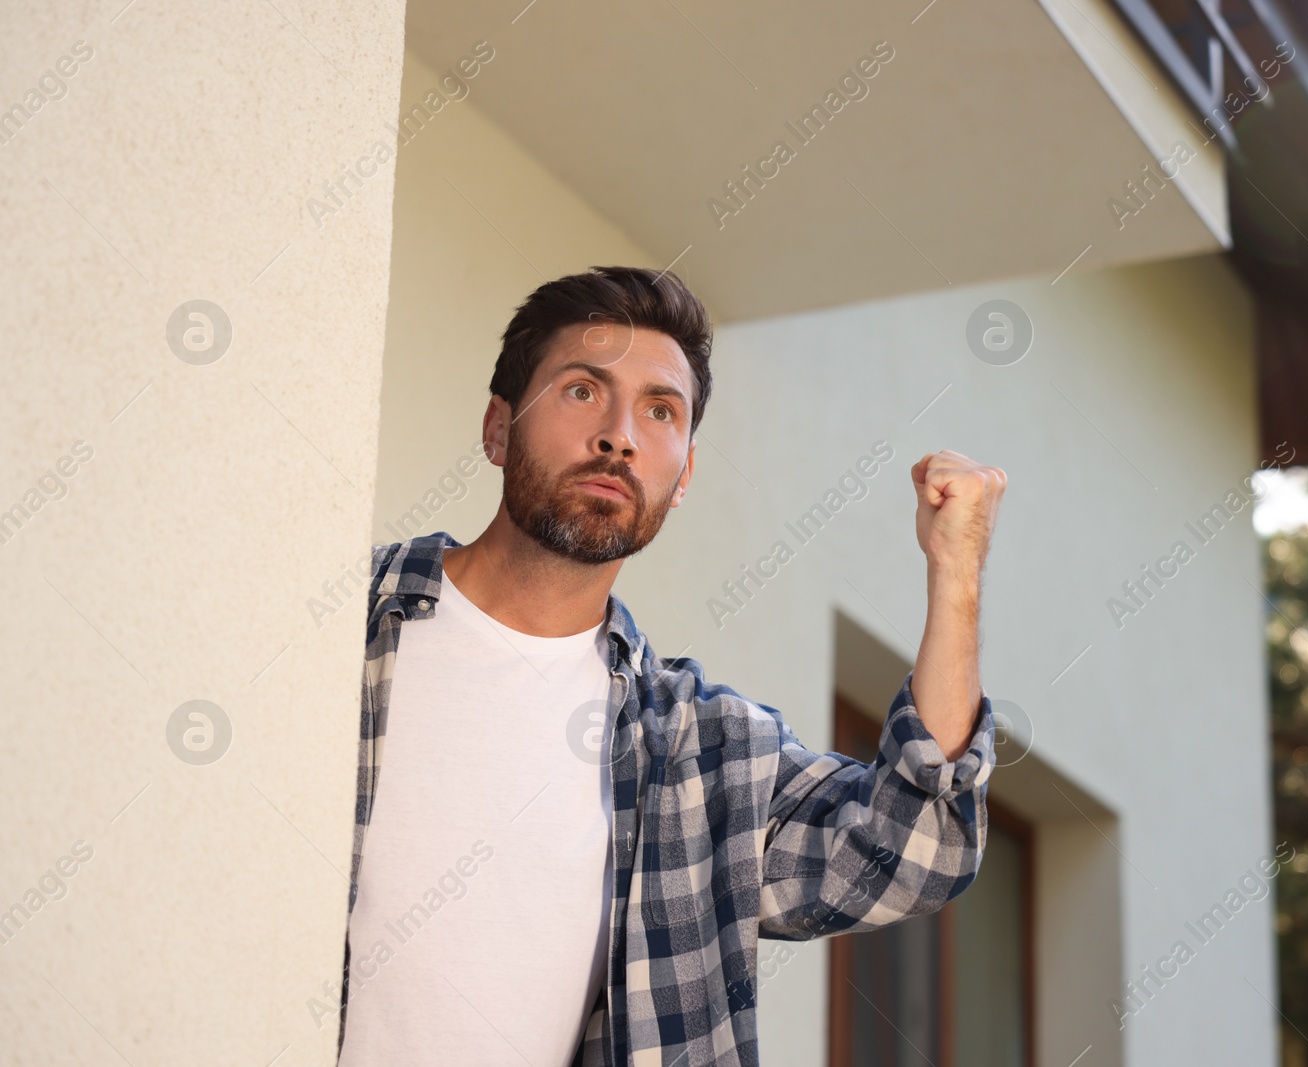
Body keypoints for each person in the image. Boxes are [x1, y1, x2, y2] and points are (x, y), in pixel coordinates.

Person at [335, 265, 1006, 1066]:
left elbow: (917, 847)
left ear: (682, 474)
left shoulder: (700, 752)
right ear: (498, 428)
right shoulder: (347, 618)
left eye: (660, 411)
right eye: (583, 390)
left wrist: (955, 571)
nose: (620, 434)